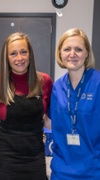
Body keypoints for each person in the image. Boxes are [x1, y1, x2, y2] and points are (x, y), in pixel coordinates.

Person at [0, 32, 53, 180]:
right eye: (13, 53)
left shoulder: (44, 81)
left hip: (34, 157)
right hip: (5, 158)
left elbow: (50, 120)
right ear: (6, 58)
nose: (19, 58)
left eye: (23, 52)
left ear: (30, 54)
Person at [49, 28, 100, 179]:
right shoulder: (57, 87)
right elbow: (51, 123)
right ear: (60, 53)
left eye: (78, 49)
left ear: (86, 54)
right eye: (67, 49)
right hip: (61, 170)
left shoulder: (97, 83)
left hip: (93, 170)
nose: (72, 54)